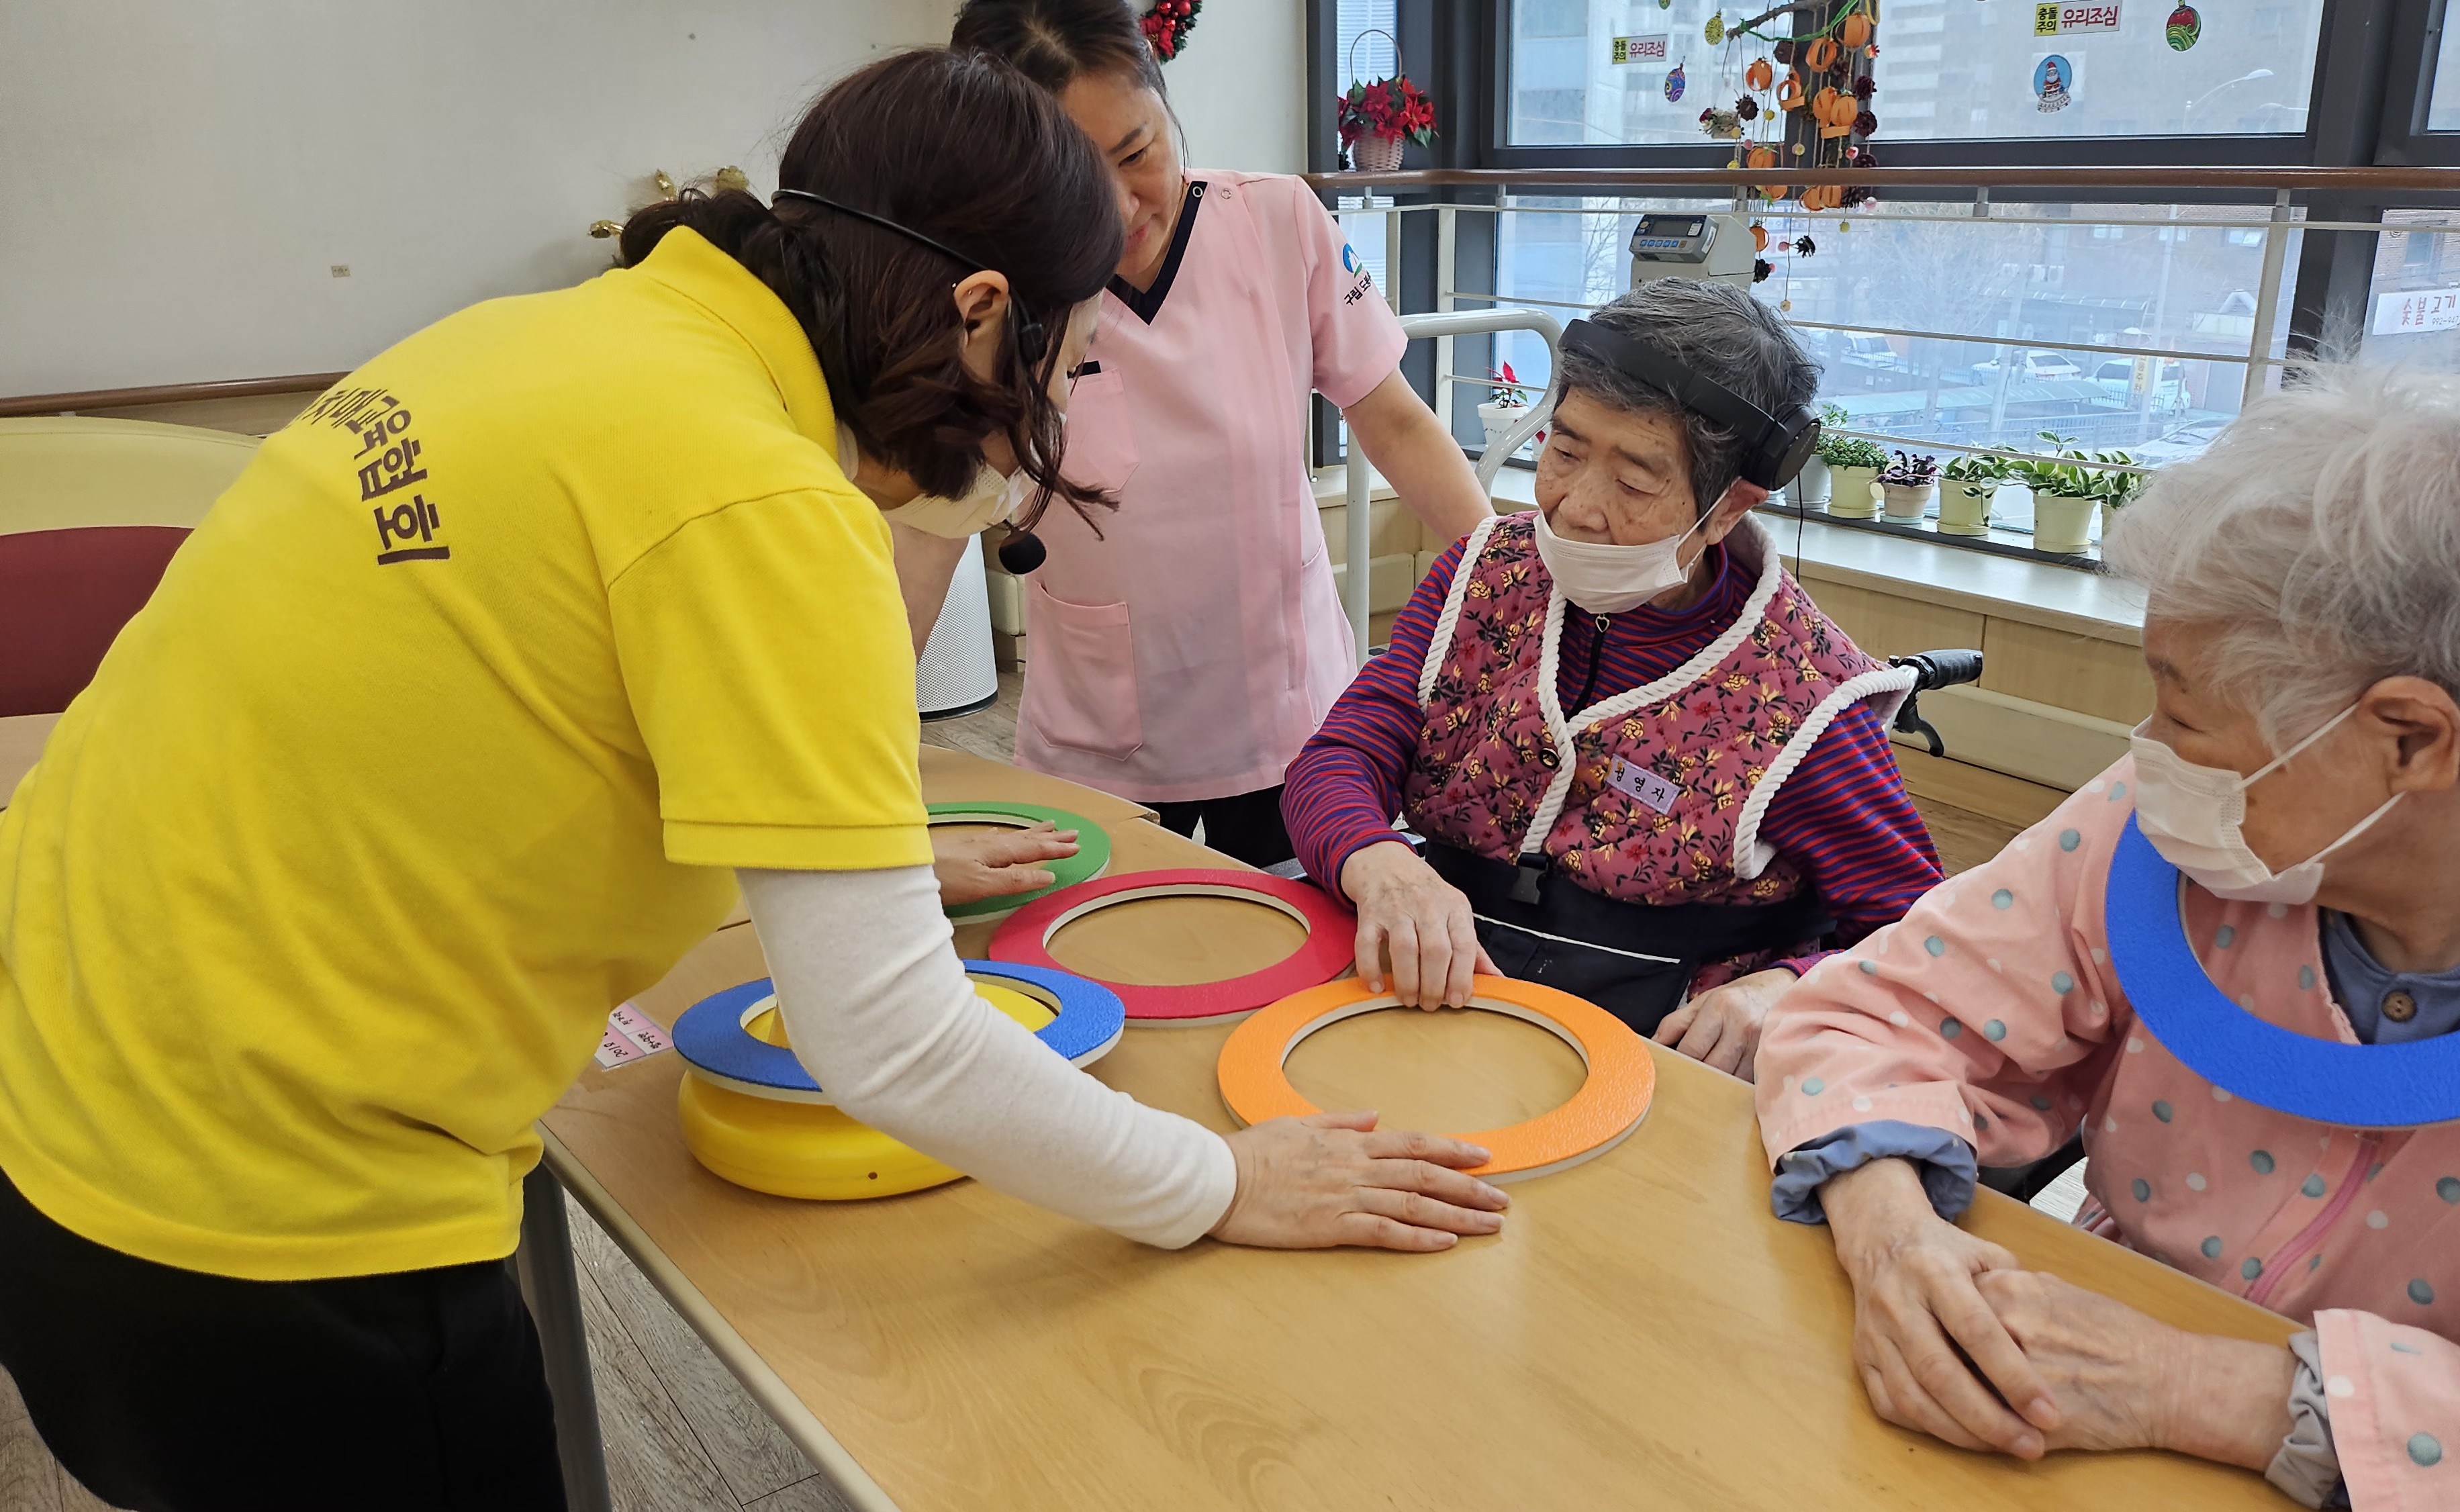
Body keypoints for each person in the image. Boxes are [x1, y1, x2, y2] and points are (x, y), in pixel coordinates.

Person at [0, 50, 1505, 1512]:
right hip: (262, 1229)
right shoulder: (759, 496)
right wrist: (1217, 1183)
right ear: (984, 313)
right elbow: (894, 1045)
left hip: (61, 1100)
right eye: (1062, 367)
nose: (1045, 415)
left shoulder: (546, 340)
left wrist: (855, 851)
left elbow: (502, 710)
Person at [1754, 365, 2460, 1509]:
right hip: (2057, 1430)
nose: (2149, 749)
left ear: (2409, 739)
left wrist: (2201, 1389)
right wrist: (1892, 1232)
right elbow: (1870, 1013)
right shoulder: (2171, 837)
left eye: (2186, 712)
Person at [1282, 279, 1946, 1076]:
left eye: (1633, 483)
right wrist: (1378, 862)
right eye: (1563, 452)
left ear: (1728, 507)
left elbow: (1922, 939)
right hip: (1442, 999)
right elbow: (1337, 760)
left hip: (1653, 1058)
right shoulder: (1482, 574)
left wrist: (1790, 987)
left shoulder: (1805, 701)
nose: (1574, 507)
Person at [949, 0, 1495, 867]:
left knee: (1306, 935)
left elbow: (1393, 420)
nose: (1122, 208)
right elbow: (939, 510)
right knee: (1110, 939)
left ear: (1167, 107)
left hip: (1288, 719)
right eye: (1074, 187)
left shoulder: (1276, 223)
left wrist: (1507, 583)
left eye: (1139, 153)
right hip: (1097, 736)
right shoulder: (998, 296)